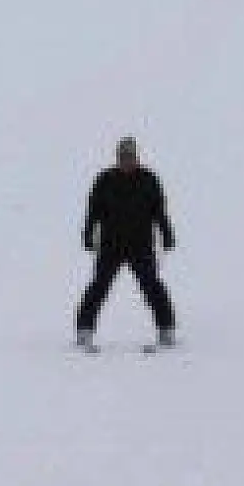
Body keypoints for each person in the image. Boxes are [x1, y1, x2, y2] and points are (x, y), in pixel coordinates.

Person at [75, 135, 177, 351]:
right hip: (111, 245)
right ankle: (84, 330)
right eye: (123, 157)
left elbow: (159, 211)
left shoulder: (149, 180)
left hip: (141, 245)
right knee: (99, 286)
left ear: (136, 157)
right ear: (117, 158)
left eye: (130, 156)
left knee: (152, 285)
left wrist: (166, 233)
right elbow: (93, 210)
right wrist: (88, 234)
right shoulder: (104, 180)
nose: (126, 161)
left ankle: (166, 329)